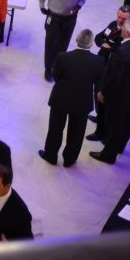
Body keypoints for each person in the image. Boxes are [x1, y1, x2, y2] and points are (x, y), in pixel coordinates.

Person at [88, 19, 130, 164]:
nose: (121, 29)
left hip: (117, 97)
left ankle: (108, 155)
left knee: (114, 125)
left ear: (127, 32)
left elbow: (114, 78)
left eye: (123, 28)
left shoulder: (121, 52)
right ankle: (120, 147)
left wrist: (103, 92)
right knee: (126, 122)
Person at [40, 29, 104, 167]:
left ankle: (50, 155)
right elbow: (98, 81)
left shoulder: (63, 57)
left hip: (61, 98)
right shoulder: (98, 62)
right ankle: (69, 159)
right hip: (82, 101)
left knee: (55, 128)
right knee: (77, 133)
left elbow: (56, 76)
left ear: (76, 40)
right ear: (92, 44)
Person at [39, 0, 87, 81]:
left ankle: (57, 67)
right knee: (51, 43)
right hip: (54, 17)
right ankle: (48, 68)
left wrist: (78, 6)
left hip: (70, 19)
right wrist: (42, 6)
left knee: (63, 44)